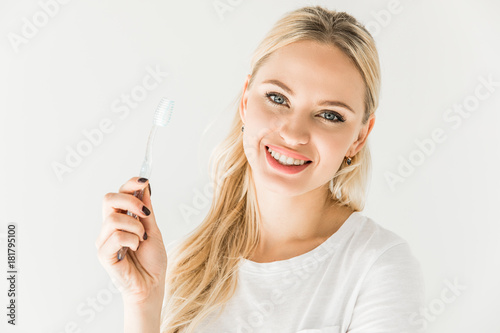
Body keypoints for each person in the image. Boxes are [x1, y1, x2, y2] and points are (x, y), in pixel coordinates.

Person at [96, 5, 425, 333]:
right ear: (245, 100)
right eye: (278, 98)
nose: (294, 134)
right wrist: (143, 301)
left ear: (359, 138)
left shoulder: (378, 266)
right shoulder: (186, 266)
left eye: (330, 115)